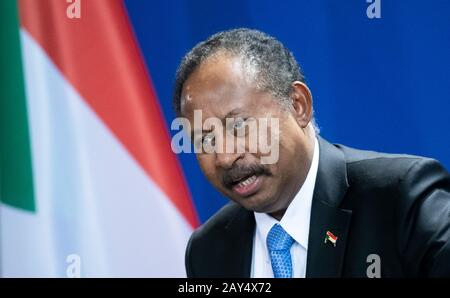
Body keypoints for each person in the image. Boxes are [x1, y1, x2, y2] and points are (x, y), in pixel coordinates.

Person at [172, 28, 450, 277]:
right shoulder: (207, 251)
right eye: (205, 140)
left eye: (239, 125)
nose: (225, 157)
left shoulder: (402, 198)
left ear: (298, 105)